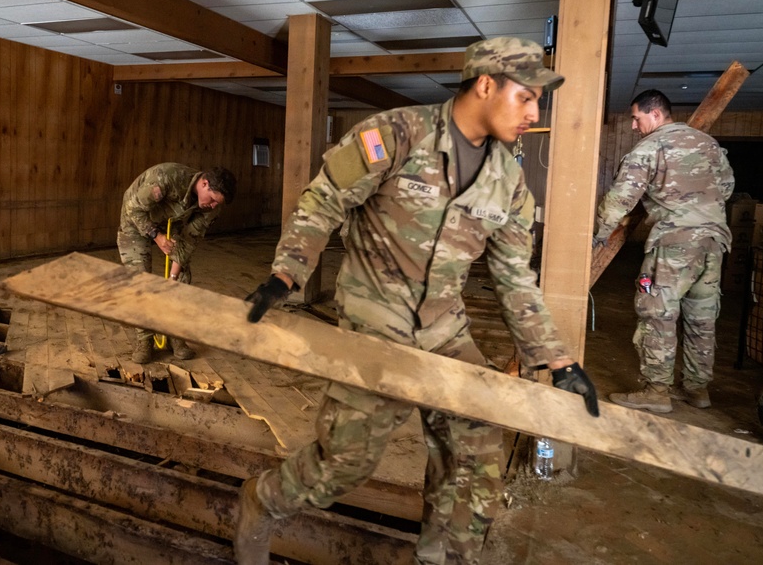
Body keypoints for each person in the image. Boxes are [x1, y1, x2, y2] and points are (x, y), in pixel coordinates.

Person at [235, 37, 599, 565]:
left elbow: (514, 277)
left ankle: (443, 558)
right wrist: (288, 273)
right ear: (485, 85)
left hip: (444, 331)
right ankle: (262, 502)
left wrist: (557, 359)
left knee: (476, 453)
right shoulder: (397, 135)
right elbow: (325, 199)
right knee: (343, 467)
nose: (533, 112)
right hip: (373, 324)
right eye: (526, 97)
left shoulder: (510, 181)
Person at [596, 90, 733, 413]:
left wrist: (600, 233)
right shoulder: (708, 144)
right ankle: (698, 389)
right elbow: (726, 186)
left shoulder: (649, 148)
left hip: (674, 244)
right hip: (713, 242)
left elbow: (621, 197)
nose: (633, 125)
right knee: (701, 318)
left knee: (657, 313)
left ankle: (657, 390)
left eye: (636, 118)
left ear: (655, 115)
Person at [117, 163, 236, 363]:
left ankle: (175, 337)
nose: (214, 206)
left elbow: (188, 242)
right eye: (213, 200)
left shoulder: (211, 208)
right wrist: (156, 236)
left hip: (173, 229)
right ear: (205, 183)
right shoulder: (167, 178)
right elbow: (133, 210)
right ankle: (145, 340)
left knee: (181, 280)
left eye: (218, 204)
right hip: (136, 225)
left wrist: (172, 278)